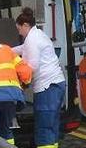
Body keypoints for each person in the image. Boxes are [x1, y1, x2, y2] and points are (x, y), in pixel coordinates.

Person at [13, 8, 66, 148]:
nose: (19, 33)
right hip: (55, 84)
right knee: (52, 124)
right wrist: (5, 50)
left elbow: (32, 66)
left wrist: (20, 83)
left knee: (44, 127)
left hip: (46, 87)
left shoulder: (32, 39)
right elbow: (23, 48)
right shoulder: (38, 34)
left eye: (19, 29)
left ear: (25, 25)